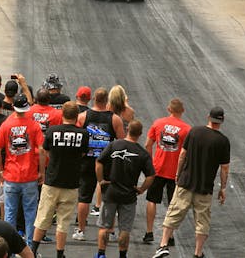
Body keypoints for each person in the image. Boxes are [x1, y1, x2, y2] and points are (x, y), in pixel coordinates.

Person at [153, 107, 231, 258]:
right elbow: (224, 168)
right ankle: (197, 253)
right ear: (222, 121)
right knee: (202, 222)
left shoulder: (194, 132)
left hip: (186, 182)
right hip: (205, 187)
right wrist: (223, 188)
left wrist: (178, 174)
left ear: (208, 117)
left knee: (174, 213)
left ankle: (163, 244)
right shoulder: (223, 141)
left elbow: (182, 154)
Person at [31, 101, 89, 258]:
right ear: (77, 115)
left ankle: (33, 251)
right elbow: (83, 154)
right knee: (63, 222)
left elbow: (46, 150)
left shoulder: (52, 131)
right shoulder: (83, 134)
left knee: (42, 217)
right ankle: (59, 253)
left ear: (62, 114)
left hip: (52, 180)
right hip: (71, 183)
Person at [96, 120, 155, 258]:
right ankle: (122, 255)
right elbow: (151, 175)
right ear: (140, 134)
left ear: (127, 129)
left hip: (110, 192)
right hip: (128, 195)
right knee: (125, 229)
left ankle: (101, 254)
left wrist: (101, 181)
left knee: (105, 226)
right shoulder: (142, 153)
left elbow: (99, 162)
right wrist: (142, 189)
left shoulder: (114, 145)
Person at [0, 93, 45, 244]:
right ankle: (29, 248)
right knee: (30, 214)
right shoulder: (34, 125)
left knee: (10, 214)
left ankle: (9, 247)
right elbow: (41, 150)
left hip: (11, 176)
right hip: (29, 176)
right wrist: (42, 171)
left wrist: (0, 170)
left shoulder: (6, 124)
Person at [74, 87, 124, 240]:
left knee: (84, 197)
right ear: (107, 101)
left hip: (87, 161)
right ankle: (110, 230)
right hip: (107, 162)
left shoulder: (83, 117)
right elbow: (122, 142)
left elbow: (77, 139)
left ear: (94, 99)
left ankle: (81, 230)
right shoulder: (115, 119)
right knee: (109, 197)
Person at [143, 98, 191, 246]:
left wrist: (150, 163)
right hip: (175, 172)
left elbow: (147, 144)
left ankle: (149, 232)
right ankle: (169, 236)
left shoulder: (158, 123)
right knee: (173, 204)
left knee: (152, 199)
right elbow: (187, 152)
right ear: (182, 111)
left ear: (168, 109)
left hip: (157, 168)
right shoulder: (187, 129)